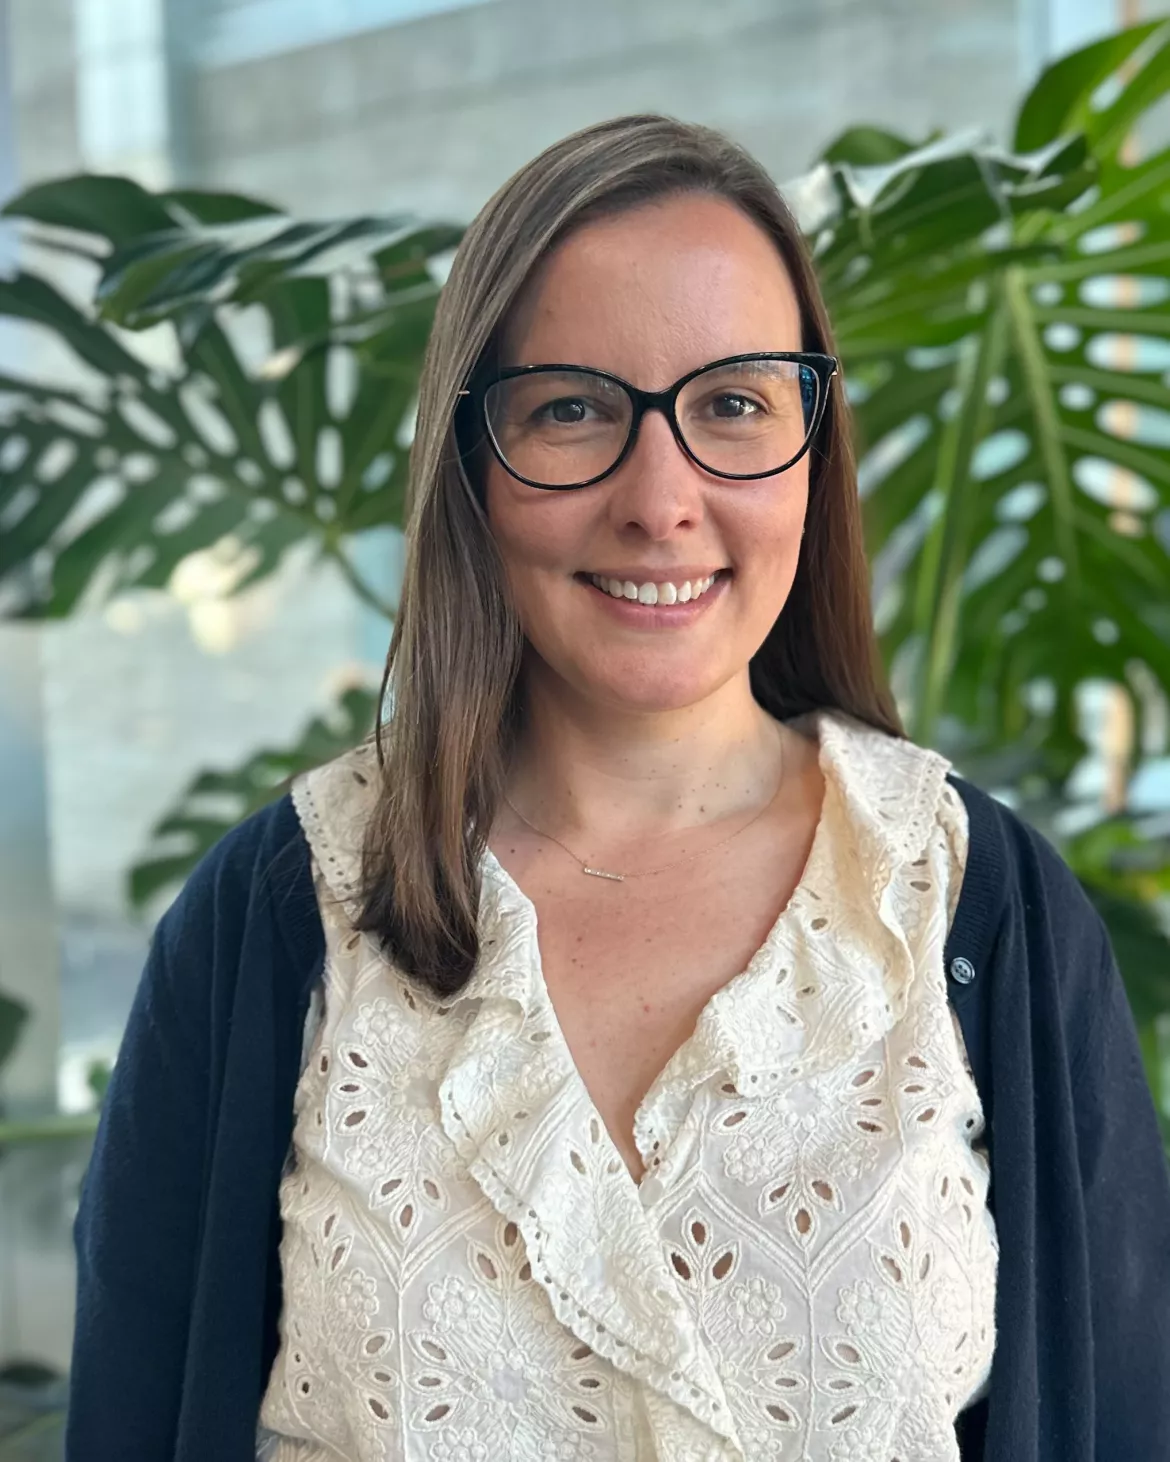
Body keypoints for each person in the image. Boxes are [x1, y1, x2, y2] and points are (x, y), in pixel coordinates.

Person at [66, 116, 1170, 1462]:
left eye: (733, 404)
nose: (662, 499)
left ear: (815, 451)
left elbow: (1116, 1415)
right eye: (574, 407)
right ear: (472, 460)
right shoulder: (273, 914)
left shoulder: (967, 903)